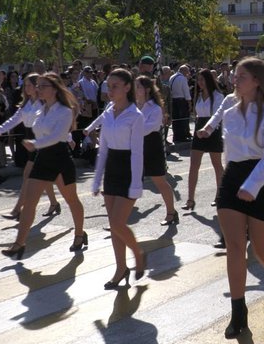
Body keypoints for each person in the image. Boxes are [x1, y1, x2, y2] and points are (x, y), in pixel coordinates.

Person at [196, 57, 264, 339]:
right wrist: (235, 182)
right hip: (233, 181)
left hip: (263, 182)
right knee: (235, 247)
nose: (234, 80)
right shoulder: (230, 112)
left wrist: (252, 186)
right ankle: (238, 312)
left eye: (241, 76)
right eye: (235, 76)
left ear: (257, 81)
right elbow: (231, 155)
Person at [1, 73, 85, 259]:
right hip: (42, 158)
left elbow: (57, 136)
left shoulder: (65, 111)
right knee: (30, 202)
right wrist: (0, 130)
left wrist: (35, 144)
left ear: (54, 89)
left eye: (42, 86)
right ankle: (19, 244)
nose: (38, 89)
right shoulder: (39, 110)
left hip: (59, 158)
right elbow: (20, 119)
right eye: (37, 85)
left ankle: (79, 233)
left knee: (71, 200)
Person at [89, 68, 148, 290]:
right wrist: (97, 179)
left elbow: (137, 153)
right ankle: (121, 268)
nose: (110, 90)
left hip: (129, 169)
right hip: (112, 169)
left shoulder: (136, 116)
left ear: (127, 87)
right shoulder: (107, 113)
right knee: (114, 226)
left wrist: (136, 184)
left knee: (117, 223)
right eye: (108, 86)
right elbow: (103, 149)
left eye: (115, 86)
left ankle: (138, 254)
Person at [0, 73, 61, 220]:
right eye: (25, 85)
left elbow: (56, 123)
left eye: (29, 85)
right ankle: (54, 203)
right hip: (30, 141)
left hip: (41, 142)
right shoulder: (26, 104)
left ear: (37, 87)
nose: (26, 88)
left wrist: (68, 137)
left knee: (28, 176)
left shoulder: (44, 104)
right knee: (42, 177)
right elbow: (14, 120)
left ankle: (17, 210)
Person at [135, 75, 178, 226]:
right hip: (136, 146)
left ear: (147, 89)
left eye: (138, 87)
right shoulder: (132, 106)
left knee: (160, 182)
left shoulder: (155, 108)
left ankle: (171, 212)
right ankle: (119, 219)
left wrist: (131, 128)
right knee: (131, 181)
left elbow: (149, 128)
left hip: (151, 146)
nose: (135, 89)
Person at [183, 69, 225, 212]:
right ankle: (190, 199)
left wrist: (208, 131)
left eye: (202, 79)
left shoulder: (218, 96)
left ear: (209, 80)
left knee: (217, 165)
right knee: (193, 165)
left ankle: (220, 196)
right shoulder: (198, 95)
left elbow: (218, 115)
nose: (200, 82)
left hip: (213, 128)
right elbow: (197, 114)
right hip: (199, 128)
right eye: (198, 79)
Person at [168, 65, 192, 143]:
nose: (188, 73)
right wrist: (189, 103)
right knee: (183, 119)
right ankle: (182, 136)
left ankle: (176, 136)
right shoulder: (182, 78)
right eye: (187, 71)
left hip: (173, 100)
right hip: (182, 101)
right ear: (183, 71)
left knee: (176, 120)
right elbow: (186, 91)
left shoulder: (172, 77)